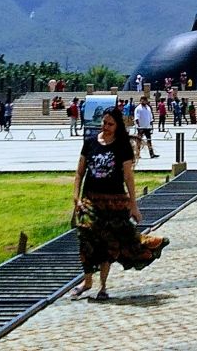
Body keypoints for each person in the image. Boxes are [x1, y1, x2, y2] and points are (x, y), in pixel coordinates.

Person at [70, 107, 169, 301]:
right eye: (104, 123)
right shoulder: (90, 143)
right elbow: (79, 173)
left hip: (114, 202)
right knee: (86, 236)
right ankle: (87, 280)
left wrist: (133, 205)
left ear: (117, 126)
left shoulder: (122, 147)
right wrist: (76, 197)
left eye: (110, 124)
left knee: (109, 243)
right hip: (91, 199)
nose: (105, 127)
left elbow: (128, 177)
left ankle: (103, 286)